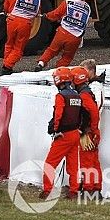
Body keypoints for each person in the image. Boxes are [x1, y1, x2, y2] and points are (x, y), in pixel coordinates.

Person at [41, 67, 81, 200]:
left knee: (49, 163)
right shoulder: (77, 95)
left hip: (64, 135)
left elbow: (58, 115)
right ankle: (74, 191)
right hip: (75, 133)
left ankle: (47, 190)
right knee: (73, 165)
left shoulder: (61, 96)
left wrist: (56, 130)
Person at [35, 0, 92, 71]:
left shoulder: (67, 3)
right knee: (67, 57)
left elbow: (55, 14)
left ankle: (41, 63)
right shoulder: (88, 8)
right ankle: (59, 70)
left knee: (51, 50)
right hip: (76, 37)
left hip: (62, 33)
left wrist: (46, 16)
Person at [0, 0, 41, 76]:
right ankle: (6, 67)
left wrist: (7, 12)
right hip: (25, 23)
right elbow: (37, 11)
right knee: (18, 48)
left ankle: (6, 65)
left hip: (12, 20)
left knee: (9, 44)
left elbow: (6, 6)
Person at [72, 66, 102, 198]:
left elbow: (93, 112)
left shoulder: (84, 95)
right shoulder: (88, 92)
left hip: (88, 133)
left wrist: (88, 131)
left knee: (87, 161)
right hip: (92, 132)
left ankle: (88, 190)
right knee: (94, 161)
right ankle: (96, 189)